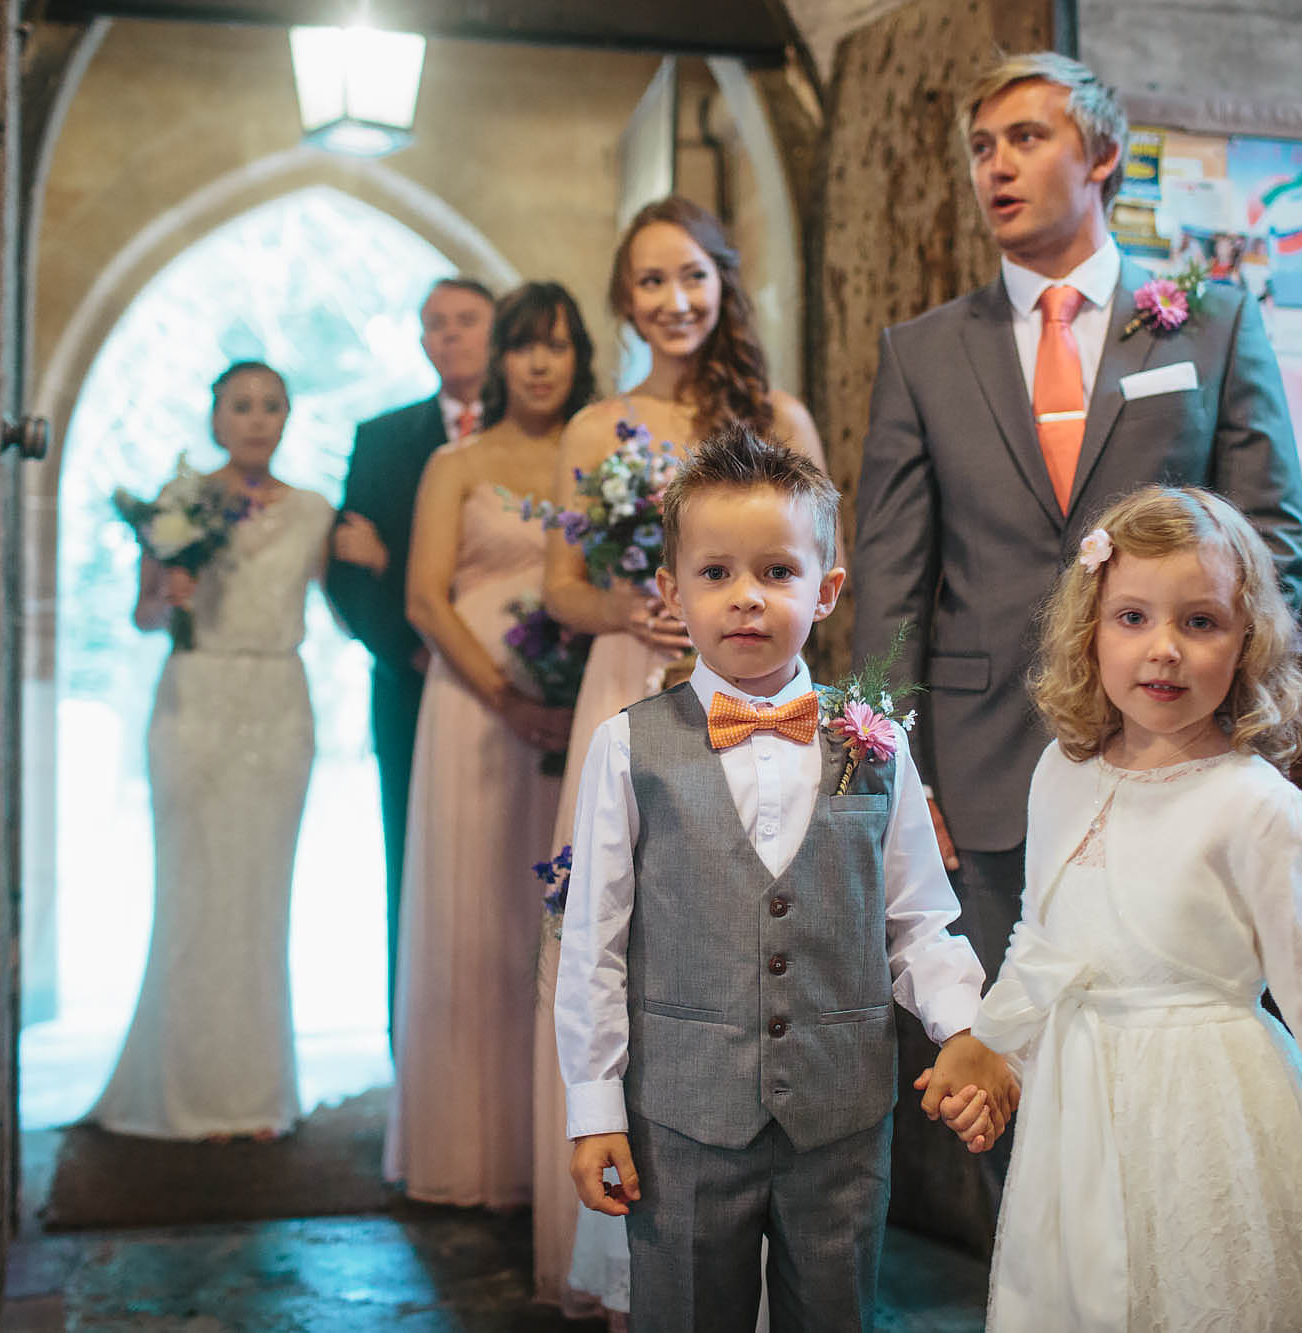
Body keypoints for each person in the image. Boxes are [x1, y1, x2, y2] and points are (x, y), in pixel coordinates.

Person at [849, 49, 1302, 1238]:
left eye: (1024, 138)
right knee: (1012, 1058)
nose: (994, 165)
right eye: (980, 148)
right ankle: (1047, 1280)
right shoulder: (921, 351)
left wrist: (1215, 696)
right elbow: (890, 576)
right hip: (988, 762)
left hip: (1180, 755)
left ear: (1099, 155)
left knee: (1175, 1033)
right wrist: (899, 762)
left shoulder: (1204, 318)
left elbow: (1268, 538)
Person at [555, 428, 1012, 1332]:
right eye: (716, 573)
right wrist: (594, 1104)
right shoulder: (626, 744)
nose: (746, 598)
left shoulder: (874, 739)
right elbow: (595, 941)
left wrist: (963, 1026)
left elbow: (917, 918)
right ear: (671, 590)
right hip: (681, 1122)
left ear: (827, 589)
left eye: (777, 571)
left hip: (840, 1120)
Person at [962, 485, 1302, 1330]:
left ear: (1247, 640)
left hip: (1209, 1122)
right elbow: (1041, 938)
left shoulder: (1254, 808)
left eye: (1200, 622)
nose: (1163, 651)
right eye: (1133, 618)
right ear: (1089, 629)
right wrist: (996, 1050)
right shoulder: (1059, 772)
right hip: (1079, 1126)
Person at [533, 197, 833, 1318]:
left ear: (723, 284)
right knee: (630, 926)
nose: (674, 301)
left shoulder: (778, 413)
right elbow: (558, 586)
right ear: (623, 298)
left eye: (693, 277)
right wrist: (635, 608)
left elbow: (814, 559)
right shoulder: (590, 427)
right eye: (651, 282)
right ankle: (642, 1217)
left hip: (753, 688)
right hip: (632, 681)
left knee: (752, 916)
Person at [89, 360, 383, 1140]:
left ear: (287, 419)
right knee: (192, 889)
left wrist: (380, 566)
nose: (257, 419)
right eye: (241, 406)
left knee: (261, 893)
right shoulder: (179, 504)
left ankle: (255, 1093)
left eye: (272, 406)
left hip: (279, 706)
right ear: (215, 417)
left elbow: (347, 614)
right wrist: (166, 596)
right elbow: (144, 618)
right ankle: (185, 1090)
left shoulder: (317, 511)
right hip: (194, 699)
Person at [382, 282, 594, 1205]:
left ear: (582, 356)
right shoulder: (457, 463)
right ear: (498, 360)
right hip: (474, 707)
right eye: (522, 347)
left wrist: (571, 692)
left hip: (577, 706)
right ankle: (470, 1153)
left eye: (557, 346)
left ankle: (553, 1160)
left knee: (559, 922)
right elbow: (425, 598)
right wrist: (511, 698)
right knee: (476, 921)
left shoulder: (600, 461)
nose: (540, 364)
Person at [326, 277, 497, 1028]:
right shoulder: (384, 437)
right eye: (436, 324)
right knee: (414, 859)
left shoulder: (544, 432)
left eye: (467, 321)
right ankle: (418, 1049)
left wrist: (387, 561)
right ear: (422, 340)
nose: (451, 335)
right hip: (408, 681)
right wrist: (415, 651)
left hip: (519, 680)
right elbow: (344, 569)